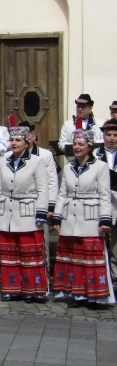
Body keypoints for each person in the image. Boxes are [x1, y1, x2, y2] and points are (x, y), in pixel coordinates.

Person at [52, 129, 115, 308]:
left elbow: (105, 195)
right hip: (70, 217)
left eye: (81, 144)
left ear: (90, 146)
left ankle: (95, 295)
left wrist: (105, 219)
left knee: (90, 259)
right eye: (75, 144)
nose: (77, 147)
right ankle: (77, 294)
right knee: (74, 258)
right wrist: (57, 217)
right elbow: (62, 193)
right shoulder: (69, 167)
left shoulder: (100, 166)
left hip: (90, 217)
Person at [0, 126, 49, 303]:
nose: (14, 143)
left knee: (29, 254)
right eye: (12, 140)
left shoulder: (37, 161)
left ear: (27, 142)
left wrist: (41, 213)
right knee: (9, 254)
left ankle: (33, 290)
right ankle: (11, 288)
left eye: (18, 140)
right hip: (6, 213)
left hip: (28, 211)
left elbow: (43, 190)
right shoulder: (4, 159)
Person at [19, 120, 59, 276]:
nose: (24, 137)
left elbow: (52, 181)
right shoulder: (11, 155)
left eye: (27, 134)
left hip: (38, 204)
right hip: (18, 206)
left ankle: (43, 275)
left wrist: (50, 206)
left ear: (33, 136)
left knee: (41, 242)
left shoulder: (45, 155)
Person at [92, 119, 117, 282]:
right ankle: (102, 274)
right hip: (100, 202)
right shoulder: (95, 154)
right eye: (109, 135)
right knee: (100, 241)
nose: (112, 138)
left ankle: (114, 275)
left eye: (115, 135)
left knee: (115, 242)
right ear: (103, 135)